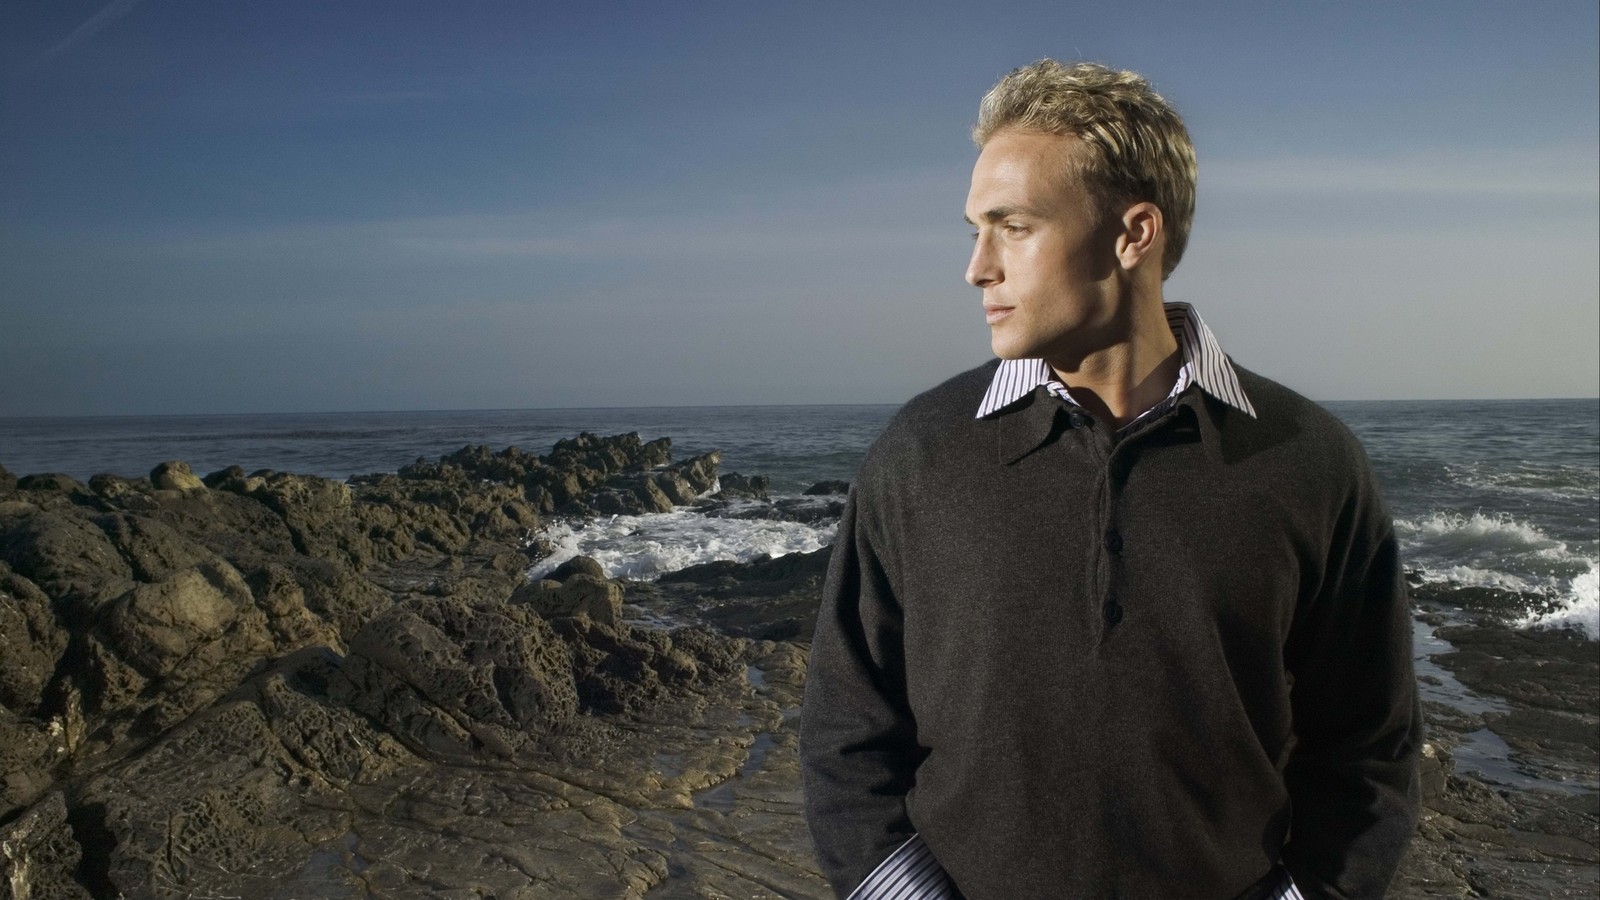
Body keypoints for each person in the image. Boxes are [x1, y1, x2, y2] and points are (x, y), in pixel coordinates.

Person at [800, 59, 1422, 900]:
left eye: (1012, 226)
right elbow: (846, 728)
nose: (977, 267)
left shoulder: (1308, 459)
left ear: (1134, 235)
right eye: (974, 230)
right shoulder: (921, 452)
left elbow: (1368, 747)